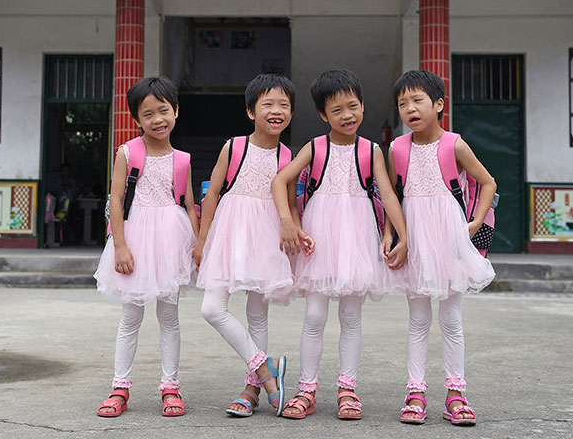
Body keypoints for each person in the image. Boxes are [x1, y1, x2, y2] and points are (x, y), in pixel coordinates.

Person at [271, 70, 408, 420]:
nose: (347, 115)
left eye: (353, 106)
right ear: (323, 114)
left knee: (351, 316)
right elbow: (280, 180)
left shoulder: (371, 150)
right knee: (314, 316)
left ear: (362, 105)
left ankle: (348, 389)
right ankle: (306, 389)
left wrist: (401, 235)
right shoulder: (315, 147)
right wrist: (289, 222)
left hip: (357, 238)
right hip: (320, 240)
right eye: (337, 110)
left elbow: (388, 194)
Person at [194, 73, 310, 417]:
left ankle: (252, 390)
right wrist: (203, 239)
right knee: (212, 308)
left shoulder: (288, 155)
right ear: (250, 111)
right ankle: (265, 368)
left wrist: (297, 231)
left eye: (284, 105)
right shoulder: (234, 147)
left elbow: (290, 203)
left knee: (257, 314)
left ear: (291, 113)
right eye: (268, 104)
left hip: (267, 235)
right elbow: (213, 194)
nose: (276, 111)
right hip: (229, 233)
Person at [387, 70, 496, 426]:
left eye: (417, 100)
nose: (410, 109)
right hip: (416, 242)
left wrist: (475, 222)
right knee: (418, 320)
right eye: (402, 103)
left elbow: (488, 182)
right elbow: (391, 196)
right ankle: (415, 391)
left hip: (449, 240)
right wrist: (391, 235)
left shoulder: (454, 145)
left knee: (451, 320)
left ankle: (455, 393)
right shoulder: (397, 149)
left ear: (438, 104)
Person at [94, 76, 199, 417]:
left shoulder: (182, 159)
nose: (157, 120)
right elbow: (116, 200)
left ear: (176, 111)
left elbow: (188, 205)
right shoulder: (128, 152)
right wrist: (120, 247)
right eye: (148, 114)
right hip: (135, 239)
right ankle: (120, 387)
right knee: (131, 316)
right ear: (136, 119)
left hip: (171, 240)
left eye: (163, 111)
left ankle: (171, 387)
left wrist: (197, 245)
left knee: (169, 317)